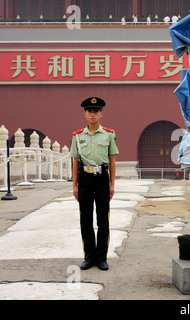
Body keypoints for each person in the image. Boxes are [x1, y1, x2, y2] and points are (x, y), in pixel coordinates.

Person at [70, 97, 119, 271]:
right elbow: (75, 162)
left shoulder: (109, 134)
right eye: (89, 111)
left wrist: (112, 184)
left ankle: (101, 258)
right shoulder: (77, 137)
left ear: (101, 114)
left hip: (102, 180)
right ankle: (89, 257)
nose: (93, 114)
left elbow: (112, 161)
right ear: (84, 114)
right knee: (86, 219)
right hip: (85, 179)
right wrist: (74, 186)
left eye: (96, 111)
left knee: (103, 219)